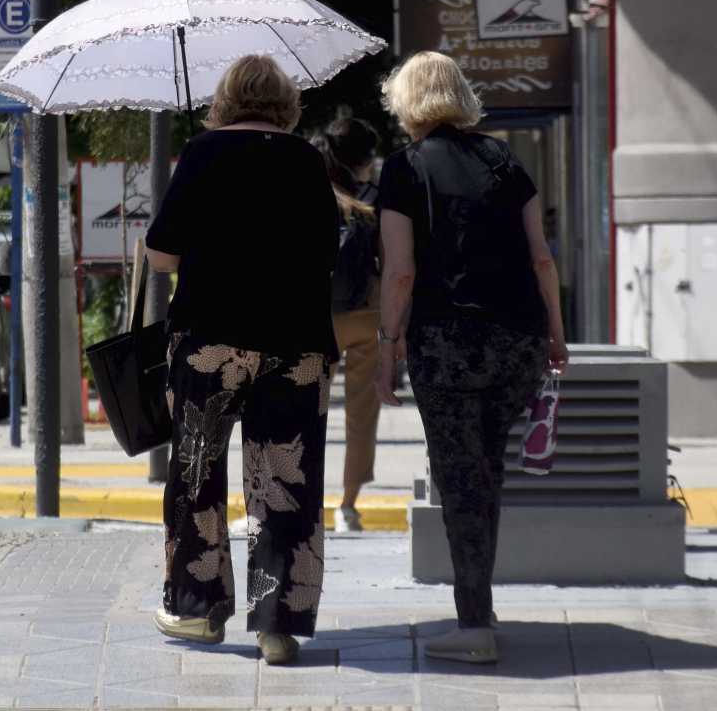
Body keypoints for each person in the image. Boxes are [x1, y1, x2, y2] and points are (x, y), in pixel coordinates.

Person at [145, 54, 339, 666]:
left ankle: (199, 611)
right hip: (296, 345)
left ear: (225, 98)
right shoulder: (308, 161)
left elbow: (163, 255)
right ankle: (276, 626)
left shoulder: (202, 154)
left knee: (198, 473)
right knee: (286, 481)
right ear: (286, 101)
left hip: (212, 340)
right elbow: (328, 250)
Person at [375, 51, 568, 664]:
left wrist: (387, 349)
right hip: (519, 341)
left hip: (448, 343)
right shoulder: (504, 160)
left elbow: (400, 273)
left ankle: (474, 624)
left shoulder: (404, 169)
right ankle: (479, 607)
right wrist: (556, 336)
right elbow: (541, 256)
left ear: (407, 103)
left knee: (461, 477)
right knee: (486, 470)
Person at [311, 116, 382, 533]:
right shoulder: (375, 197)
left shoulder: (310, 192)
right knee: (361, 416)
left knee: (311, 415)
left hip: (318, 321)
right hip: (366, 317)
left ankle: (311, 501)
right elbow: (390, 264)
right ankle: (348, 506)